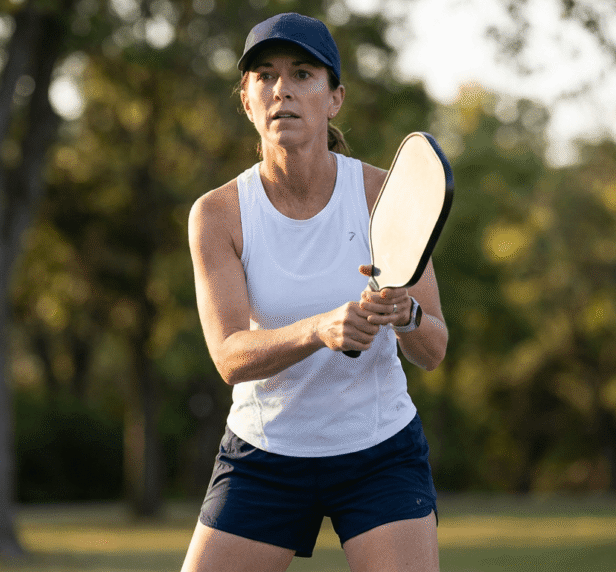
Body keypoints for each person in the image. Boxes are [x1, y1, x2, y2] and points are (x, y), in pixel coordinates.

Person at [181, 12, 448, 572]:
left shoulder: (383, 193)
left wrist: (407, 313)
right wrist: (319, 329)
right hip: (264, 456)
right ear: (248, 103)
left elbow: (433, 350)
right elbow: (229, 357)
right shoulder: (218, 214)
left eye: (303, 74)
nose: (283, 89)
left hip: (379, 453)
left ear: (334, 99)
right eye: (265, 76)